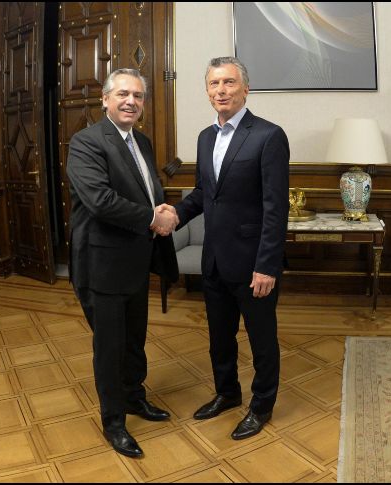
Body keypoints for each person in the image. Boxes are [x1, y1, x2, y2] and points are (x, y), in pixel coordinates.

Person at [173, 57, 289, 440]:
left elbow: (276, 208)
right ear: (206, 90)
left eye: (228, 83)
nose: (220, 90)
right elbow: (206, 193)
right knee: (219, 338)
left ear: (245, 88)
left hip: (254, 264)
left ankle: (261, 406)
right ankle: (227, 394)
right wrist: (173, 215)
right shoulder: (206, 137)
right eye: (213, 84)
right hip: (215, 261)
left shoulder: (269, 136)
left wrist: (267, 266)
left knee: (261, 341)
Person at [67, 68, 179, 458]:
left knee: (134, 341)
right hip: (101, 266)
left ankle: (135, 397)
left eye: (138, 96)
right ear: (105, 99)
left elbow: (143, 189)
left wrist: (158, 205)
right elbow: (99, 200)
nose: (131, 101)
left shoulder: (141, 141)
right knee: (110, 348)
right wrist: (153, 218)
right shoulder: (85, 142)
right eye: (123, 94)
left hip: (134, 262)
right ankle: (114, 421)